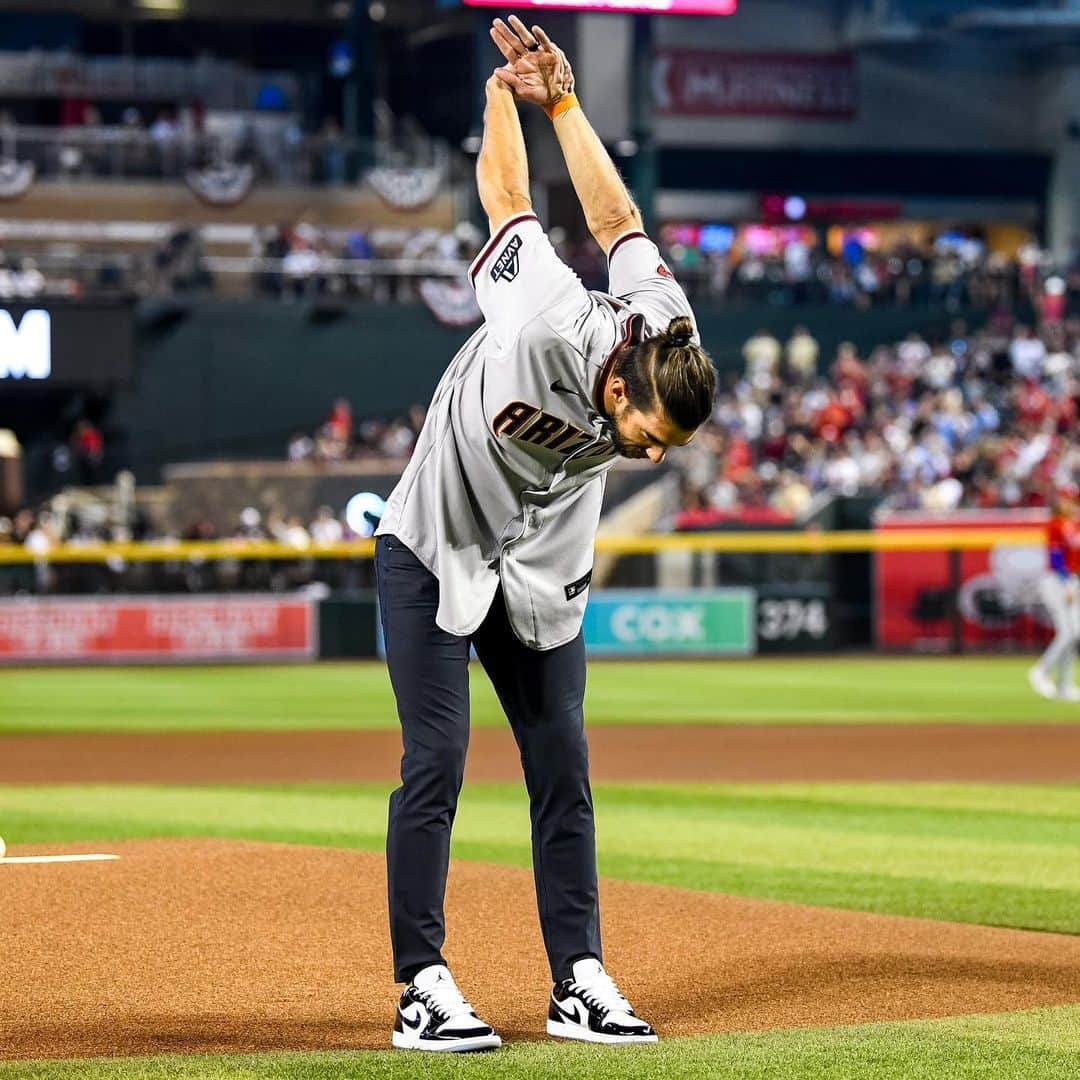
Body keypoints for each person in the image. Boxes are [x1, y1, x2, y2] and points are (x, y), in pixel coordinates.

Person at [374, 15, 716, 1053]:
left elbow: (617, 216)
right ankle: (422, 985)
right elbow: (509, 201)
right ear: (616, 381)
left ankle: (580, 979)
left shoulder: (667, 328)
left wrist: (567, 103)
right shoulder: (546, 317)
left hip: (544, 572)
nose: (648, 456)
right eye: (644, 435)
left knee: (563, 768)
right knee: (436, 758)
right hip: (436, 541)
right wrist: (502, 98)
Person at [1029, 486, 1080, 701]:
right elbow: (1056, 556)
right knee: (1068, 633)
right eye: (1064, 499)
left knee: (1073, 633)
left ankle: (1065, 686)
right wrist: (1067, 582)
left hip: (1073, 580)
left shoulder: (1075, 524)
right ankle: (1040, 671)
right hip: (1057, 581)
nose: (1067, 502)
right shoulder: (1055, 524)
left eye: (1071, 499)